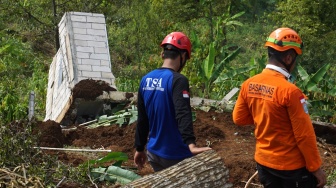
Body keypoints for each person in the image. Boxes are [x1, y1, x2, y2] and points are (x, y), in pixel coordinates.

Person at [232, 28, 327, 188]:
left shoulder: (249, 84)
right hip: (292, 169)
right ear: (289, 58)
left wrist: (267, 118)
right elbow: (304, 135)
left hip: (264, 164)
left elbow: (239, 118)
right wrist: (315, 168)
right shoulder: (291, 91)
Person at [134, 31, 212, 172]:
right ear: (183, 56)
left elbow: (142, 118)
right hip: (176, 154)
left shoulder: (145, 79)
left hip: (153, 153)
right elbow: (183, 112)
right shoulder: (178, 80)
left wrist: (139, 148)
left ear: (163, 54)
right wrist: (191, 144)